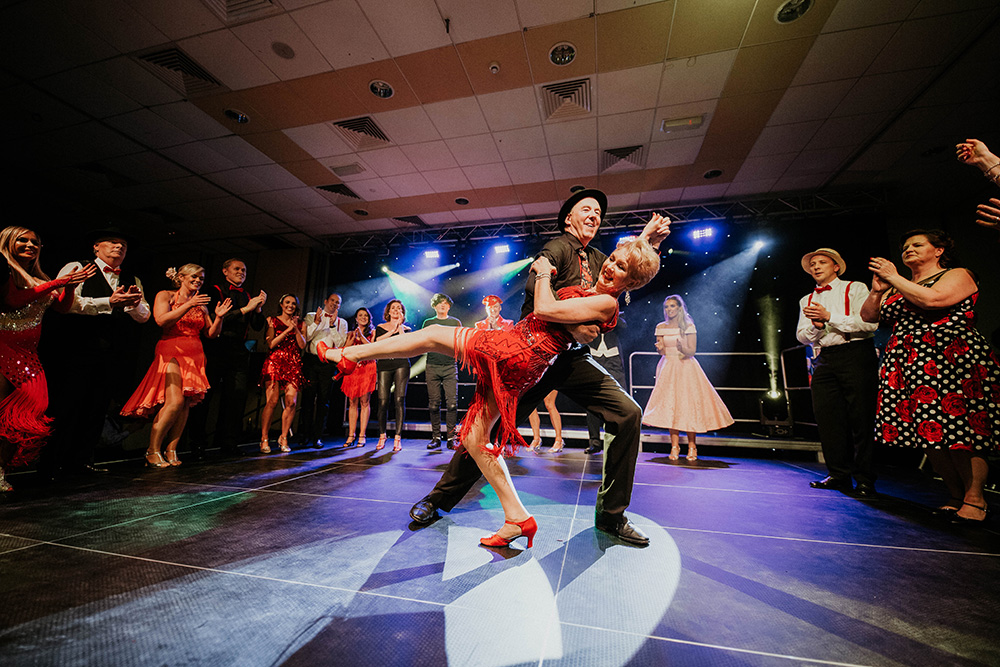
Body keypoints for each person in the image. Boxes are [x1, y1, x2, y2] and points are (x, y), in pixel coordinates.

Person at [318, 238, 661, 547]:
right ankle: (517, 518)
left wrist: (542, 273)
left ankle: (348, 355)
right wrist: (644, 240)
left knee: (432, 335)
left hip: (515, 352)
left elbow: (545, 309)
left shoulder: (605, 303)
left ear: (630, 282)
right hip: (524, 356)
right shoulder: (592, 281)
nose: (610, 266)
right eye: (612, 259)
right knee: (475, 437)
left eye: (619, 268)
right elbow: (617, 278)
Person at [408, 189, 671, 547]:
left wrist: (643, 240)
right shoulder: (557, 249)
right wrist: (574, 323)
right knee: (487, 430)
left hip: (572, 360)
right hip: (532, 358)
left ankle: (612, 516)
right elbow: (540, 298)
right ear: (569, 219)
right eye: (586, 209)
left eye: (598, 211)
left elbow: (623, 267)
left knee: (627, 414)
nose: (594, 214)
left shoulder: (597, 258)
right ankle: (438, 500)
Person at [862, 230, 999, 523]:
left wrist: (895, 278)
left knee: (961, 429)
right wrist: (877, 290)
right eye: (905, 246)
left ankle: (975, 500)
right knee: (929, 431)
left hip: (948, 358)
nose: (908, 249)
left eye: (917, 244)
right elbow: (869, 317)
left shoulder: (957, 274)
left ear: (938, 251)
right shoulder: (898, 286)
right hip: (909, 362)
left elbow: (934, 301)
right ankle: (954, 495)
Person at [41, 229, 149, 476]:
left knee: (96, 407)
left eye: (123, 244)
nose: (119, 247)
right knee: (66, 405)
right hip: (74, 348)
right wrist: (107, 303)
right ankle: (49, 464)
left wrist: (132, 305)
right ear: (96, 246)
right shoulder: (78, 266)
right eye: (113, 242)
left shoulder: (131, 277)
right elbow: (63, 304)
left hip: (109, 352)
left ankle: (81, 462)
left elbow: (144, 316)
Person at [0, 227, 95, 491]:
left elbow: (62, 307)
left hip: (29, 354)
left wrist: (71, 287)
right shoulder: (5, 273)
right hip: (2, 347)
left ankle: (1, 468)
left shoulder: (37, 277)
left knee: (24, 414)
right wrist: (57, 283)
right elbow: (12, 301)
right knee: (1, 415)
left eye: (36, 242)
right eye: (24, 240)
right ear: (8, 242)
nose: (31, 245)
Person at [121, 265, 231, 468]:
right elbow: (161, 320)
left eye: (201, 278)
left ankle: (171, 449)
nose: (198, 281)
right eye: (194, 277)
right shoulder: (166, 295)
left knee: (185, 404)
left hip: (195, 353)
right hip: (171, 349)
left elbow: (211, 334)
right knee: (174, 401)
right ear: (180, 277)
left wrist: (220, 317)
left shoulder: (201, 304)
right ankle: (152, 450)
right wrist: (189, 305)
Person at [795, 248, 880, 496]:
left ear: (836, 267)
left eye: (822, 262)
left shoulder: (856, 288)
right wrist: (817, 327)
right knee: (829, 418)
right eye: (812, 264)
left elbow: (868, 323)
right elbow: (801, 335)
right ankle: (838, 474)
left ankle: (864, 478)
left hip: (855, 353)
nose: (816, 266)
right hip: (824, 357)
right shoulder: (806, 299)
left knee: (861, 417)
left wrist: (829, 316)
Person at [186, 259, 266, 458]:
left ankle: (229, 443)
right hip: (215, 348)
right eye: (237, 269)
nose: (241, 272)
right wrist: (246, 309)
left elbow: (257, 326)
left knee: (236, 397)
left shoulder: (247, 294)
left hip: (238, 351)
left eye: (244, 270)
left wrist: (257, 309)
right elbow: (216, 319)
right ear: (225, 271)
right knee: (205, 398)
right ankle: (196, 444)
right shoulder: (213, 291)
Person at [642, 295, 734, 461]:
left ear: (679, 308)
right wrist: (660, 348)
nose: (669, 309)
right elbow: (662, 351)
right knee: (671, 406)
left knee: (688, 405)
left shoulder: (688, 326)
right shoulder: (660, 327)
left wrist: (681, 346)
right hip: (668, 367)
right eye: (666, 307)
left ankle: (692, 447)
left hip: (685, 366)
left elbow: (691, 351)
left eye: (672, 306)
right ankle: (674, 446)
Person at [259, 294, 306, 453]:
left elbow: (301, 345)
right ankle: (264, 438)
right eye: (287, 302)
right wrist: (288, 330)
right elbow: (271, 343)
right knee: (271, 401)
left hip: (293, 363)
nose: (290, 306)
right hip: (275, 362)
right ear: (281, 304)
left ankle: (284, 437)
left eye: (293, 303)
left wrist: (296, 329)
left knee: (291, 402)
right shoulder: (272, 320)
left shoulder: (300, 323)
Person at [299, 293, 347, 448]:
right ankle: (304, 435)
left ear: (340, 306)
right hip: (311, 361)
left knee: (323, 401)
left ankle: (317, 436)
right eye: (332, 301)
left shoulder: (342, 322)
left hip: (328, 363)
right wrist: (317, 323)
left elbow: (340, 343)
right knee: (307, 399)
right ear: (325, 301)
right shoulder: (311, 316)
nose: (334, 304)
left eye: (337, 302)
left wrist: (332, 325)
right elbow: (307, 338)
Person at [421, 293, 461, 450]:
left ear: (449, 306)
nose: (442, 305)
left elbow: (459, 342)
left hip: (450, 366)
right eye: (439, 303)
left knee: (452, 404)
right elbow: (423, 342)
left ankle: (451, 438)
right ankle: (436, 437)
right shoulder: (428, 323)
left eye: (445, 303)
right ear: (434, 306)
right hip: (432, 365)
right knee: (433, 404)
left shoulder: (455, 322)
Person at [584, 317, 627, 455]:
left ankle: (618, 440)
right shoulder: (590, 314)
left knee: (620, 400)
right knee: (592, 401)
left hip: (613, 358)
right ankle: (594, 442)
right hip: (594, 356)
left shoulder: (616, 313)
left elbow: (623, 327)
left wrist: (611, 314)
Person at [374, 299, 411, 452]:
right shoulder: (380, 327)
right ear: (388, 312)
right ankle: (382, 435)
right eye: (393, 308)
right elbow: (377, 342)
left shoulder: (406, 329)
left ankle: (397, 437)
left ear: (402, 312)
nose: (396, 310)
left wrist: (400, 326)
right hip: (384, 365)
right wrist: (392, 329)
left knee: (399, 399)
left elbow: (405, 344)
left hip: (401, 364)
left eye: (399, 308)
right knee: (383, 401)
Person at [341, 307, 377, 446]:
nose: (363, 318)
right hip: (353, 369)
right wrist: (352, 338)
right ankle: (351, 435)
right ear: (356, 319)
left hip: (367, 367)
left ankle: (362, 435)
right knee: (352, 402)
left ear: (369, 319)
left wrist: (361, 337)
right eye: (360, 315)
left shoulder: (372, 332)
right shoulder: (350, 333)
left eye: (365, 316)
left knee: (365, 401)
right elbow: (345, 350)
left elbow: (372, 349)